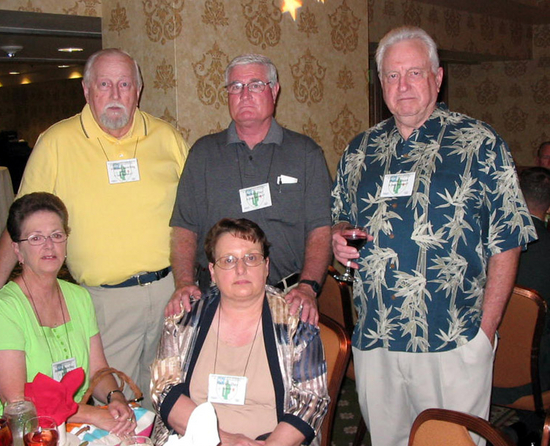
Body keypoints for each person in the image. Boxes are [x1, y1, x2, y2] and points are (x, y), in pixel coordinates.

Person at [330, 26, 536, 446]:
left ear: (438, 78)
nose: (402, 85)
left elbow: (508, 239)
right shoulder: (359, 149)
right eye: (391, 75)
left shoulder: (480, 144)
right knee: (387, 440)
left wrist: (486, 332)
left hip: (453, 337)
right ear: (380, 82)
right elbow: (340, 220)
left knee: (452, 441)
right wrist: (337, 236)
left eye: (414, 73)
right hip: (377, 337)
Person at [0, 48, 189, 409]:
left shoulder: (167, 138)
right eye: (104, 84)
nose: (115, 94)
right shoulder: (56, 143)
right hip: (104, 301)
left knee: (170, 394)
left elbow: (194, 213)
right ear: (86, 90)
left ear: (138, 90)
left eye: (124, 84)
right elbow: (20, 220)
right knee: (116, 402)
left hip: (169, 291)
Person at [167, 54, 332, 326]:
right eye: (235, 86)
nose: (244, 95)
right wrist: (184, 283)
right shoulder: (203, 154)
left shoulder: (305, 153)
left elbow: (320, 228)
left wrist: (308, 287)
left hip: (289, 300)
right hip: (217, 301)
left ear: (274, 91)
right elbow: (185, 228)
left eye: (255, 85)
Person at [0, 193, 136, 434]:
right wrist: (93, 414)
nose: (49, 245)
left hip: (71, 424)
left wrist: (115, 397)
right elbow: (18, 404)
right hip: (8, 429)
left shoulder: (79, 297)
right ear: (17, 249)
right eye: (36, 238)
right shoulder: (1, 310)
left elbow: (98, 370)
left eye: (56, 236)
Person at [150, 218, 329, 446]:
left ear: (266, 267)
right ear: (213, 272)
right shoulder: (183, 318)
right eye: (229, 260)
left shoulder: (296, 321)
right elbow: (164, 389)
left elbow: (311, 401)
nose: (241, 268)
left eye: (251, 258)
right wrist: (224, 440)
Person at [493, 167, 550, 443]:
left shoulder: (485, 241)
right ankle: (532, 428)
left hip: (481, 364)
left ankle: (522, 430)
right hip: (536, 380)